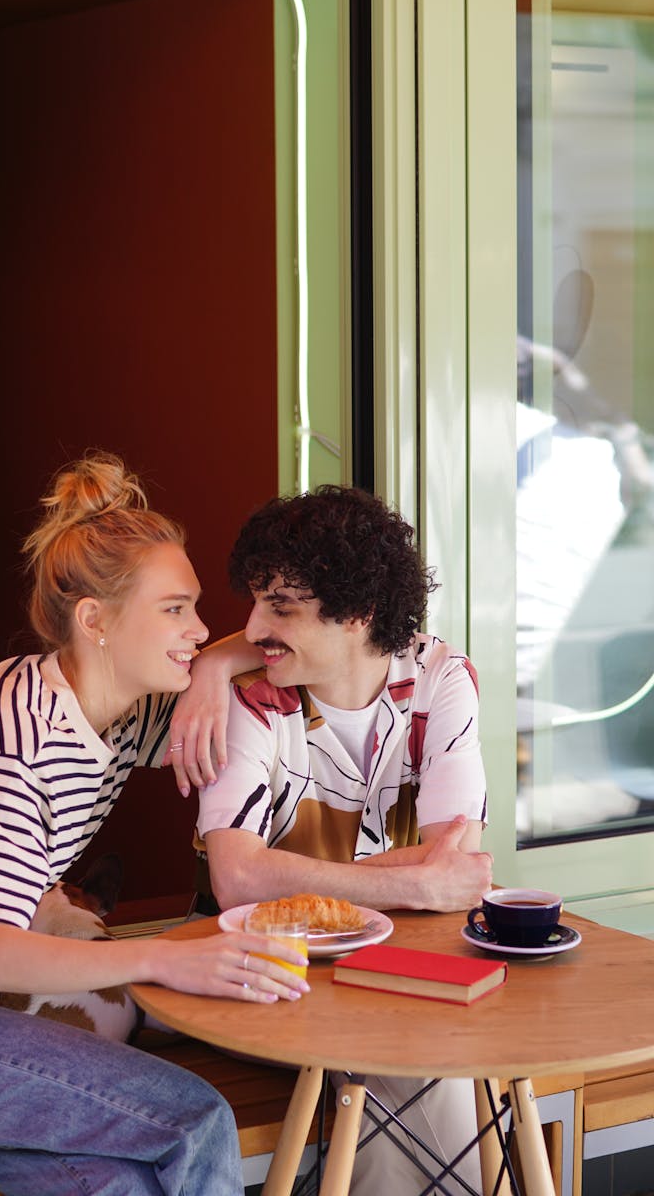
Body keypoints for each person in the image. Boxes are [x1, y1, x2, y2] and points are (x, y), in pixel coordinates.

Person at [0, 451, 308, 1196]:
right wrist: (161, 958)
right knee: (194, 1118)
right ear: (95, 620)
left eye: (194, 607)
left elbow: (268, 657)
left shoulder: (115, 704)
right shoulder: (17, 741)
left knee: (109, 1183)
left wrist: (214, 673)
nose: (199, 629)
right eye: (174, 609)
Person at [189, 484, 494, 1195]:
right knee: (416, 1067)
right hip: (266, 969)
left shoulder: (441, 679)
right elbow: (235, 880)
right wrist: (409, 883)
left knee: (435, 1059)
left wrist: (292, 876)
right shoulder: (251, 694)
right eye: (256, 600)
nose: (253, 626)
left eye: (282, 606)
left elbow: (458, 866)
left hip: (403, 971)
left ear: (358, 614)